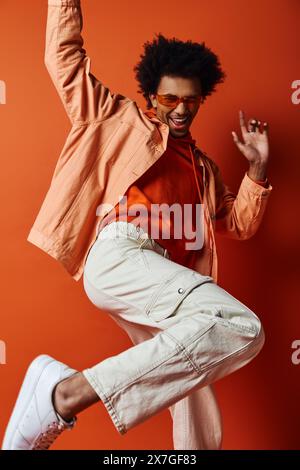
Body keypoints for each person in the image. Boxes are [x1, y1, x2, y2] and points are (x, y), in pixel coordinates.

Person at [2, 0, 273, 451]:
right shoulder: (113, 117)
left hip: (162, 271)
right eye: (170, 99)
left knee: (195, 373)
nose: (181, 110)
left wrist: (259, 169)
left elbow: (238, 223)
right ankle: (65, 394)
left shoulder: (203, 169)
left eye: (190, 99)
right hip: (120, 252)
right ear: (151, 96)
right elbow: (63, 58)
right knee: (236, 323)